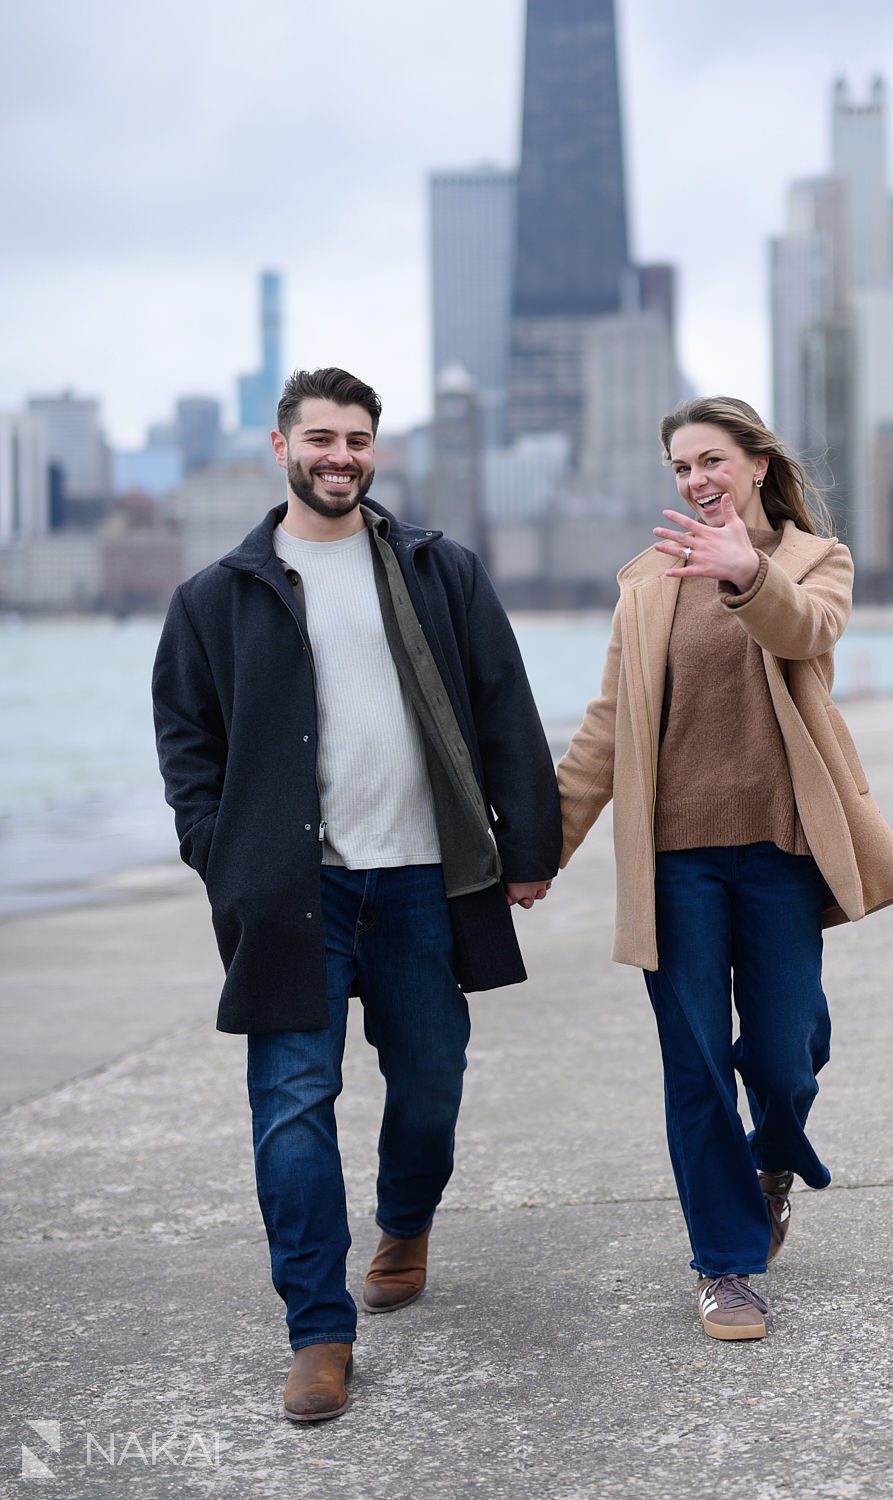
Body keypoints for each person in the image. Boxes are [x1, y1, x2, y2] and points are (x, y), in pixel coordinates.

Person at [152, 366, 560, 1420]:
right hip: (295, 890)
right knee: (291, 1105)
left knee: (430, 1081)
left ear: (376, 452)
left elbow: (503, 705)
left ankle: (407, 1217)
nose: (342, 456)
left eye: (360, 440)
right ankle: (317, 1332)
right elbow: (188, 745)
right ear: (280, 448)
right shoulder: (214, 598)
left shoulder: (438, 569)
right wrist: (221, 852)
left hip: (426, 874)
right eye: (321, 438)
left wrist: (529, 844)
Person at [555, 396, 893, 1342]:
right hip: (674, 859)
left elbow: (809, 631)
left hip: (779, 850)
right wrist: (541, 848)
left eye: (711, 460)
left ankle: (772, 1162)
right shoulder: (646, 583)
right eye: (680, 467)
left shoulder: (812, 560)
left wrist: (747, 573)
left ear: (758, 464)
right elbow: (607, 728)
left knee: (786, 1051)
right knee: (693, 1064)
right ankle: (727, 1265)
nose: (695, 480)